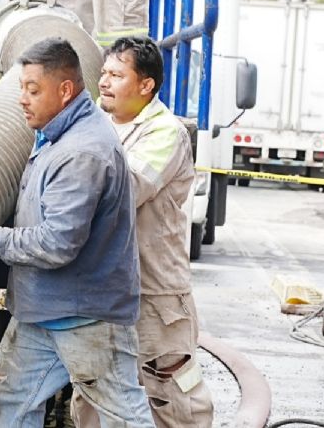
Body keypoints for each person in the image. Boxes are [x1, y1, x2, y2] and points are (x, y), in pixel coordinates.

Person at [0, 37, 154, 427]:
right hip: (45, 313)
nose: (22, 99)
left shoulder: (81, 152)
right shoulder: (59, 135)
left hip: (84, 319)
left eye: (32, 90)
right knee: (13, 399)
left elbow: (58, 244)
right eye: (21, 88)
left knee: (124, 417)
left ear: (66, 90)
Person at [88, 35, 213, 427]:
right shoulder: (95, 121)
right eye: (104, 73)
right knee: (94, 392)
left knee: (172, 392)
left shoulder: (165, 133)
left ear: (146, 85)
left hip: (154, 291)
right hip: (103, 288)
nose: (104, 82)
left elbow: (128, 188)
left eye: (116, 75)